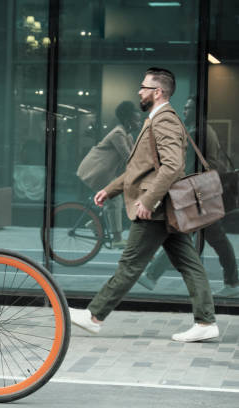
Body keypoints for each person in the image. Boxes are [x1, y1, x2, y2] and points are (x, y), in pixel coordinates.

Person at [69, 68, 218, 342]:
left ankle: (94, 316)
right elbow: (140, 168)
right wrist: (109, 190)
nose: (139, 91)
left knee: (130, 264)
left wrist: (148, 201)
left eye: (144, 87)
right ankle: (206, 321)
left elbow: (173, 166)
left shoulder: (165, 121)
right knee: (189, 263)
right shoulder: (155, 120)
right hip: (161, 207)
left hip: (154, 209)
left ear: (157, 92)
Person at [137, 96, 239, 297]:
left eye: (188, 107)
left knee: (192, 234)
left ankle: (233, 282)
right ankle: (152, 275)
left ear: (198, 111)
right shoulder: (205, 130)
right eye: (184, 107)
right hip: (203, 191)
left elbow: (185, 166)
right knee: (197, 235)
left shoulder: (197, 132)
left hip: (201, 192)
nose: (184, 110)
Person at [76, 101, 140, 247]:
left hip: (105, 173)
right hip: (96, 171)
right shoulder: (118, 134)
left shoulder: (127, 135)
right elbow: (129, 158)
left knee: (113, 201)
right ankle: (117, 239)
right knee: (115, 199)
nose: (139, 122)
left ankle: (95, 223)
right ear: (128, 120)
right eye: (136, 120)